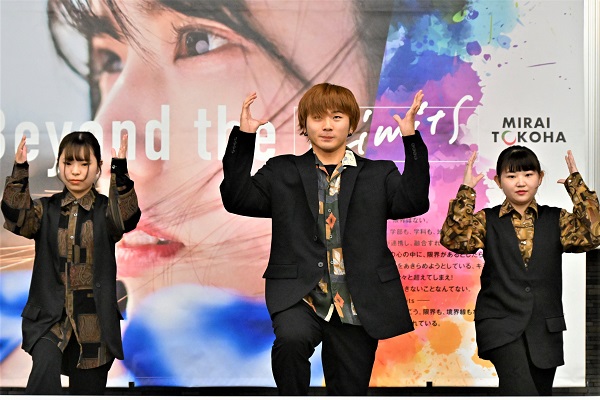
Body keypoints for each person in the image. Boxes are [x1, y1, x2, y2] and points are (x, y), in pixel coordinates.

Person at [220, 83, 430, 395]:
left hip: (357, 299)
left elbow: (413, 201)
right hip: (299, 294)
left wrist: (411, 139)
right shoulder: (282, 171)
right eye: (317, 118)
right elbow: (237, 198)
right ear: (304, 124)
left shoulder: (378, 174)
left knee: (348, 390)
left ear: (351, 124)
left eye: (337, 117)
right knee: (291, 340)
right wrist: (244, 136)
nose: (327, 126)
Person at [440, 147, 600, 395]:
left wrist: (577, 186)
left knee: (537, 393)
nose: (520, 182)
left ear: (540, 177)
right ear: (498, 181)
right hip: (499, 323)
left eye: (528, 174)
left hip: (545, 328)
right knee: (521, 391)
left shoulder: (557, 219)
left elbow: (593, 235)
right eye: (511, 176)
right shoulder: (486, 220)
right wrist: (466, 192)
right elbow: (454, 239)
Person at [1, 131, 141, 394]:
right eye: (68, 163)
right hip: (49, 318)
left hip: (94, 324)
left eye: (84, 163)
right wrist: (20, 170)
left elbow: (126, 218)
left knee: (87, 392)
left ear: (98, 167)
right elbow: (17, 217)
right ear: (59, 165)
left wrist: (120, 170)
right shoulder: (45, 210)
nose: (75, 171)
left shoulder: (105, 211)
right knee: (43, 374)